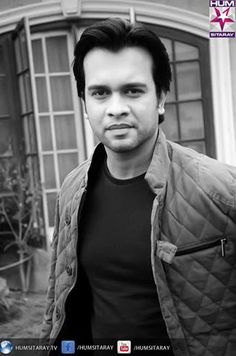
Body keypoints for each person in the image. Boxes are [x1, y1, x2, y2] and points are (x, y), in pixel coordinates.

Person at [40, 18, 236, 356]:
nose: (116, 108)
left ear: (160, 98)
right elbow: (58, 303)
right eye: (100, 93)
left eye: (133, 90)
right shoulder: (73, 189)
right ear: (85, 104)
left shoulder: (222, 191)